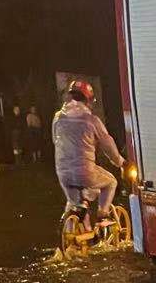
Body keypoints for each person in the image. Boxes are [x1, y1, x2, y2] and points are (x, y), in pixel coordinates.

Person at [52, 80, 124, 222]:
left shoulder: (58, 118)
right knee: (110, 183)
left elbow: (55, 140)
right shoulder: (91, 120)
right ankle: (103, 215)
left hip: (63, 173)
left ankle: (75, 236)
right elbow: (108, 145)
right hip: (85, 172)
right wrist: (120, 162)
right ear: (88, 99)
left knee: (76, 204)